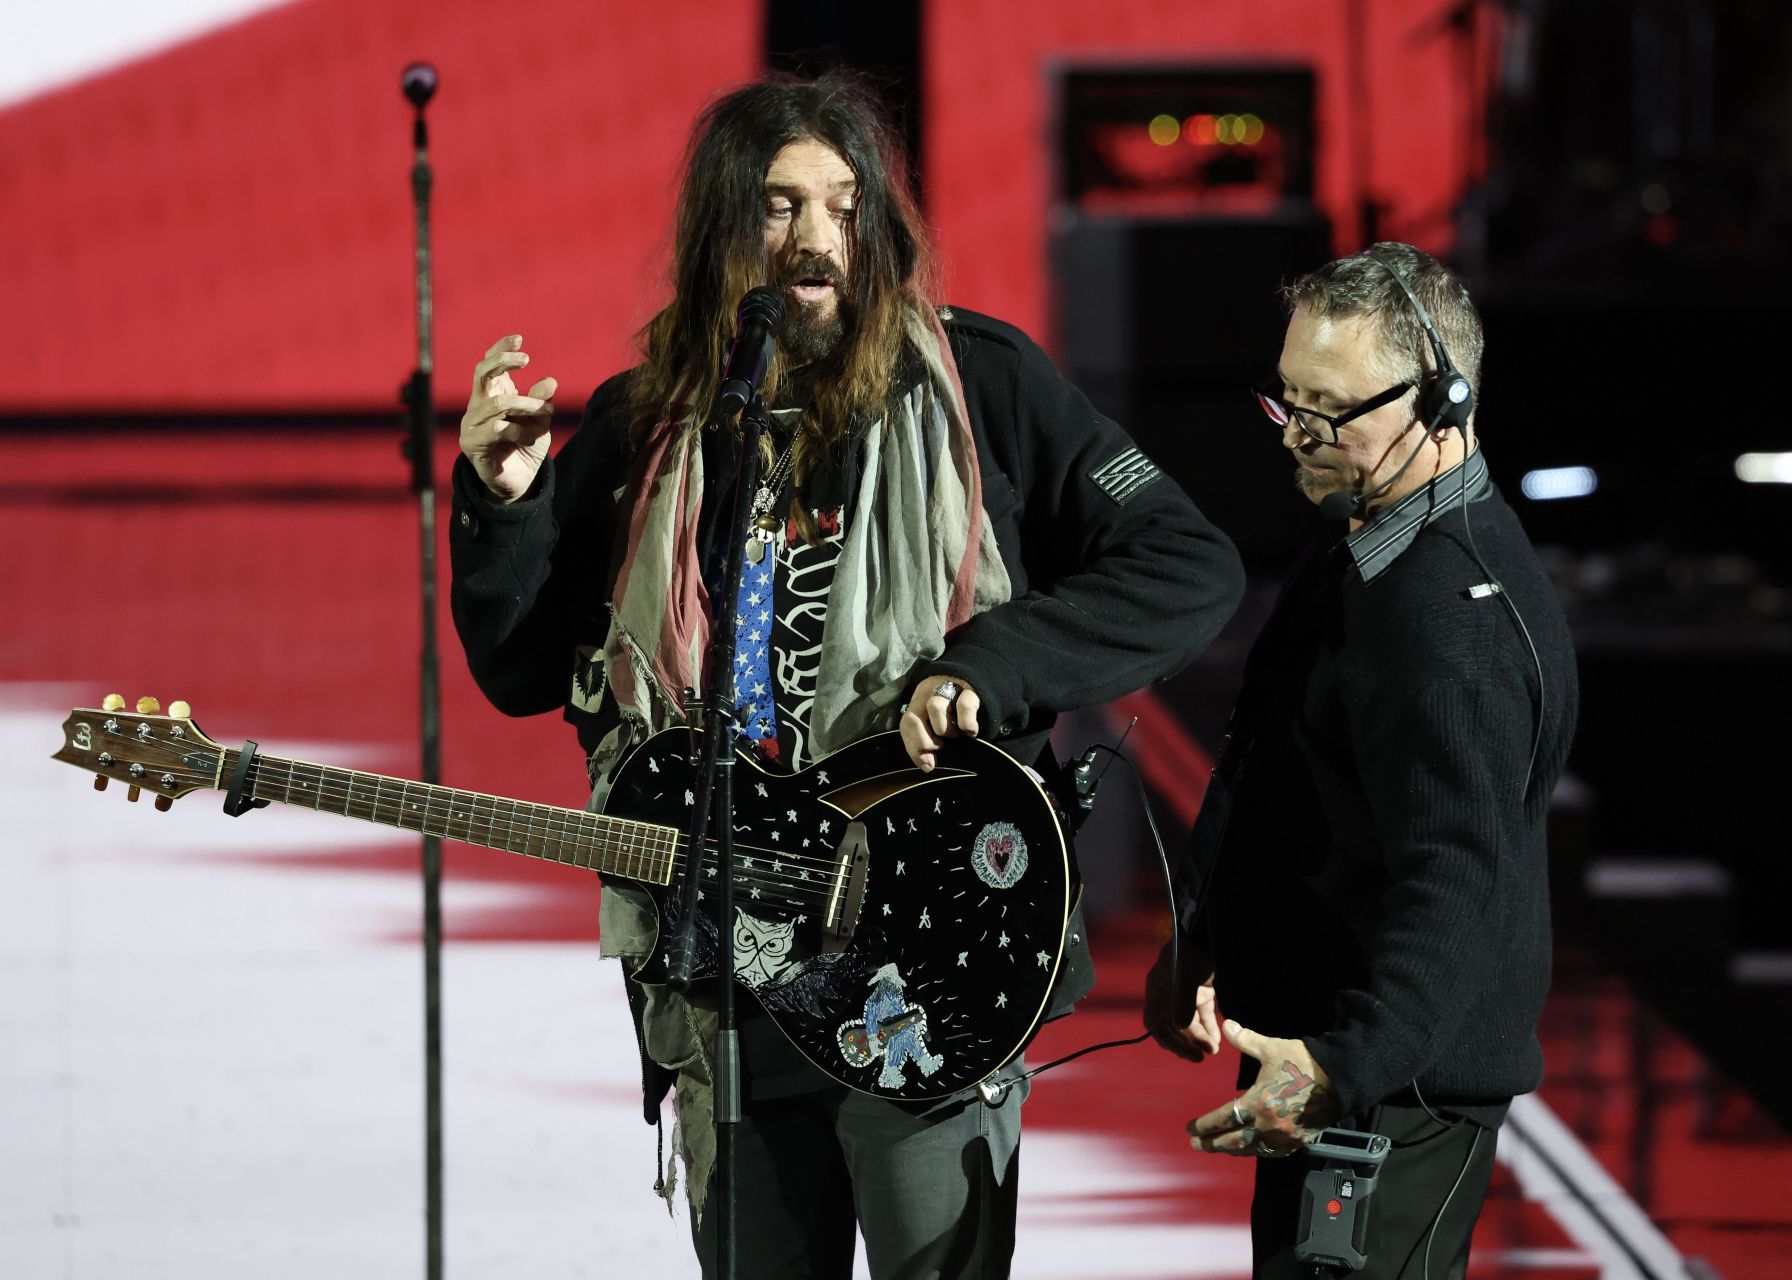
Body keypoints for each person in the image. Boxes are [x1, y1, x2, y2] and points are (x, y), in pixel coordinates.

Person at [448, 73, 1243, 1279]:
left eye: (843, 204)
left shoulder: (985, 386)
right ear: (724, 232)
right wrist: (504, 509)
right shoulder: (652, 423)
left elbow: (1190, 563)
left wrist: (995, 661)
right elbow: (519, 669)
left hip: (931, 955)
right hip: (732, 974)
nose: (815, 240)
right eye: (777, 207)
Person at [1143, 242, 1578, 1279]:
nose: (1298, 434)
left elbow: (1461, 880)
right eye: (1286, 400)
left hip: (1392, 1096)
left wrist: (1343, 1067)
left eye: (1329, 409)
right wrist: (1204, 931)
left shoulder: (1448, 618)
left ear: (1443, 401)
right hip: (1349, 1073)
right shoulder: (1370, 545)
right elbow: (1265, 751)